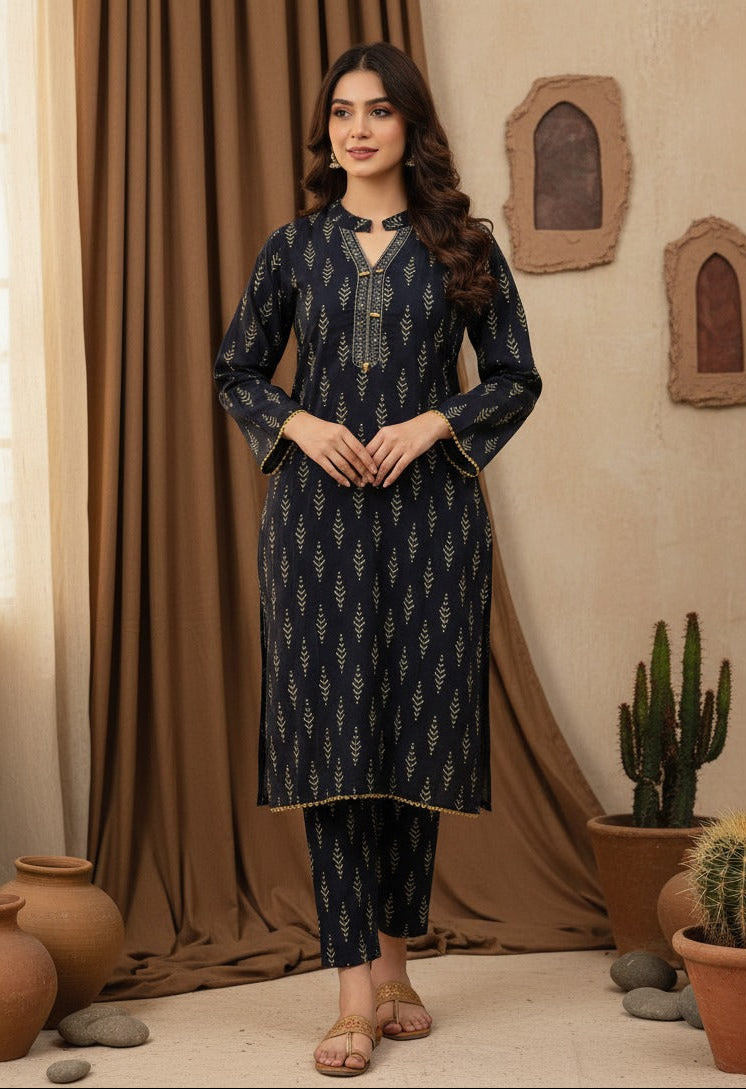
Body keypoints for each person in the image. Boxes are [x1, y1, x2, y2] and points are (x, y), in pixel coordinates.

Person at [214, 40, 542, 1077]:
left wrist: (437, 421)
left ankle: (398, 967)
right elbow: (236, 369)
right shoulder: (293, 249)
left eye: (379, 111)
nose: (358, 129)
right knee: (333, 745)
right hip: (314, 525)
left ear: (410, 125)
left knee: (410, 740)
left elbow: (515, 377)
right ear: (328, 130)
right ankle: (353, 990)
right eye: (343, 112)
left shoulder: (463, 247)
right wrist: (299, 423)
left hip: (431, 523)